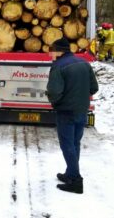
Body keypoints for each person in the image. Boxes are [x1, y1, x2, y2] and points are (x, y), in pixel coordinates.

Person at [46, 37, 99, 194]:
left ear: (59, 51)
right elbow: (94, 87)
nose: (50, 55)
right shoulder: (83, 63)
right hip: (81, 110)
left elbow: (54, 92)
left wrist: (55, 102)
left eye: (52, 51)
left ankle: (75, 181)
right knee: (75, 143)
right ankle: (70, 173)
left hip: (66, 112)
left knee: (67, 145)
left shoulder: (58, 66)